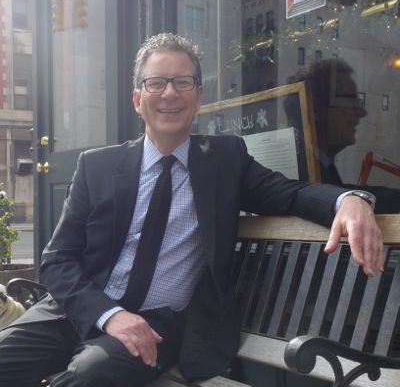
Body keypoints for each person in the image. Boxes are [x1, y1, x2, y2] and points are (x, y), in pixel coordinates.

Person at [0, 33, 384, 387]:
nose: (170, 93)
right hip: (77, 309)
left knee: (90, 375)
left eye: (182, 82)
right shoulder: (97, 166)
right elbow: (57, 260)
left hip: (155, 325)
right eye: (156, 83)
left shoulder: (226, 161)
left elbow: (290, 193)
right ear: (137, 99)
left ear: (198, 97)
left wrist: (349, 200)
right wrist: (108, 314)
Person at [284, 58, 400, 213]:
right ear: (315, 108)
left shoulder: (316, 165)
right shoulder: (298, 172)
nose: (362, 112)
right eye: (352, 99)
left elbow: (338, 190)